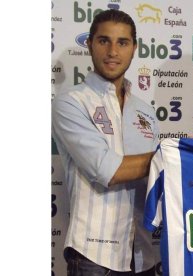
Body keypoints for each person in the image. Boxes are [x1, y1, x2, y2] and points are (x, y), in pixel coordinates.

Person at [52, 9, 159, 276]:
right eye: (104, 41)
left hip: (143, 254)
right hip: (94, 256)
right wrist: (170, 156)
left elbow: (155, 182)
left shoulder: (145, 112)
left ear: (134, 48)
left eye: (122, 42)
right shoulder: (71, 102)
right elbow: (106, 170)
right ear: (89, 44)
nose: (113, 51)